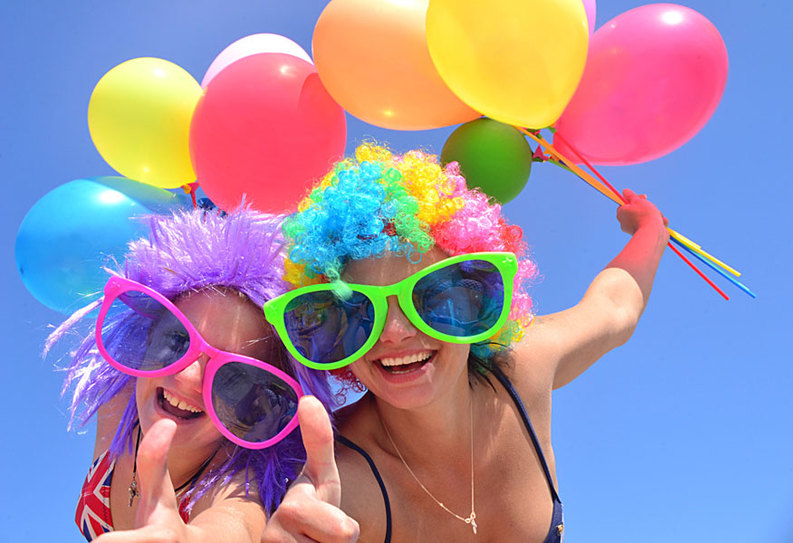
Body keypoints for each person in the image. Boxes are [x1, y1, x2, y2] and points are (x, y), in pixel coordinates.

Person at [261, 143, 669, 542]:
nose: (395, 332)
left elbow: (616, 307)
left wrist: (651, 228)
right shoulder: (342, 480)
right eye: (357, 312)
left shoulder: (525, 366)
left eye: (434, 295)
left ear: (476, 298)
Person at [46, 207, 334, 542]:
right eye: (177, 339)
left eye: (234, 375)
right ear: (147, 336)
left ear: (258, 405)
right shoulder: (120, 399)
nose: (186, 377)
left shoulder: (236, 483)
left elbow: (236, 523)